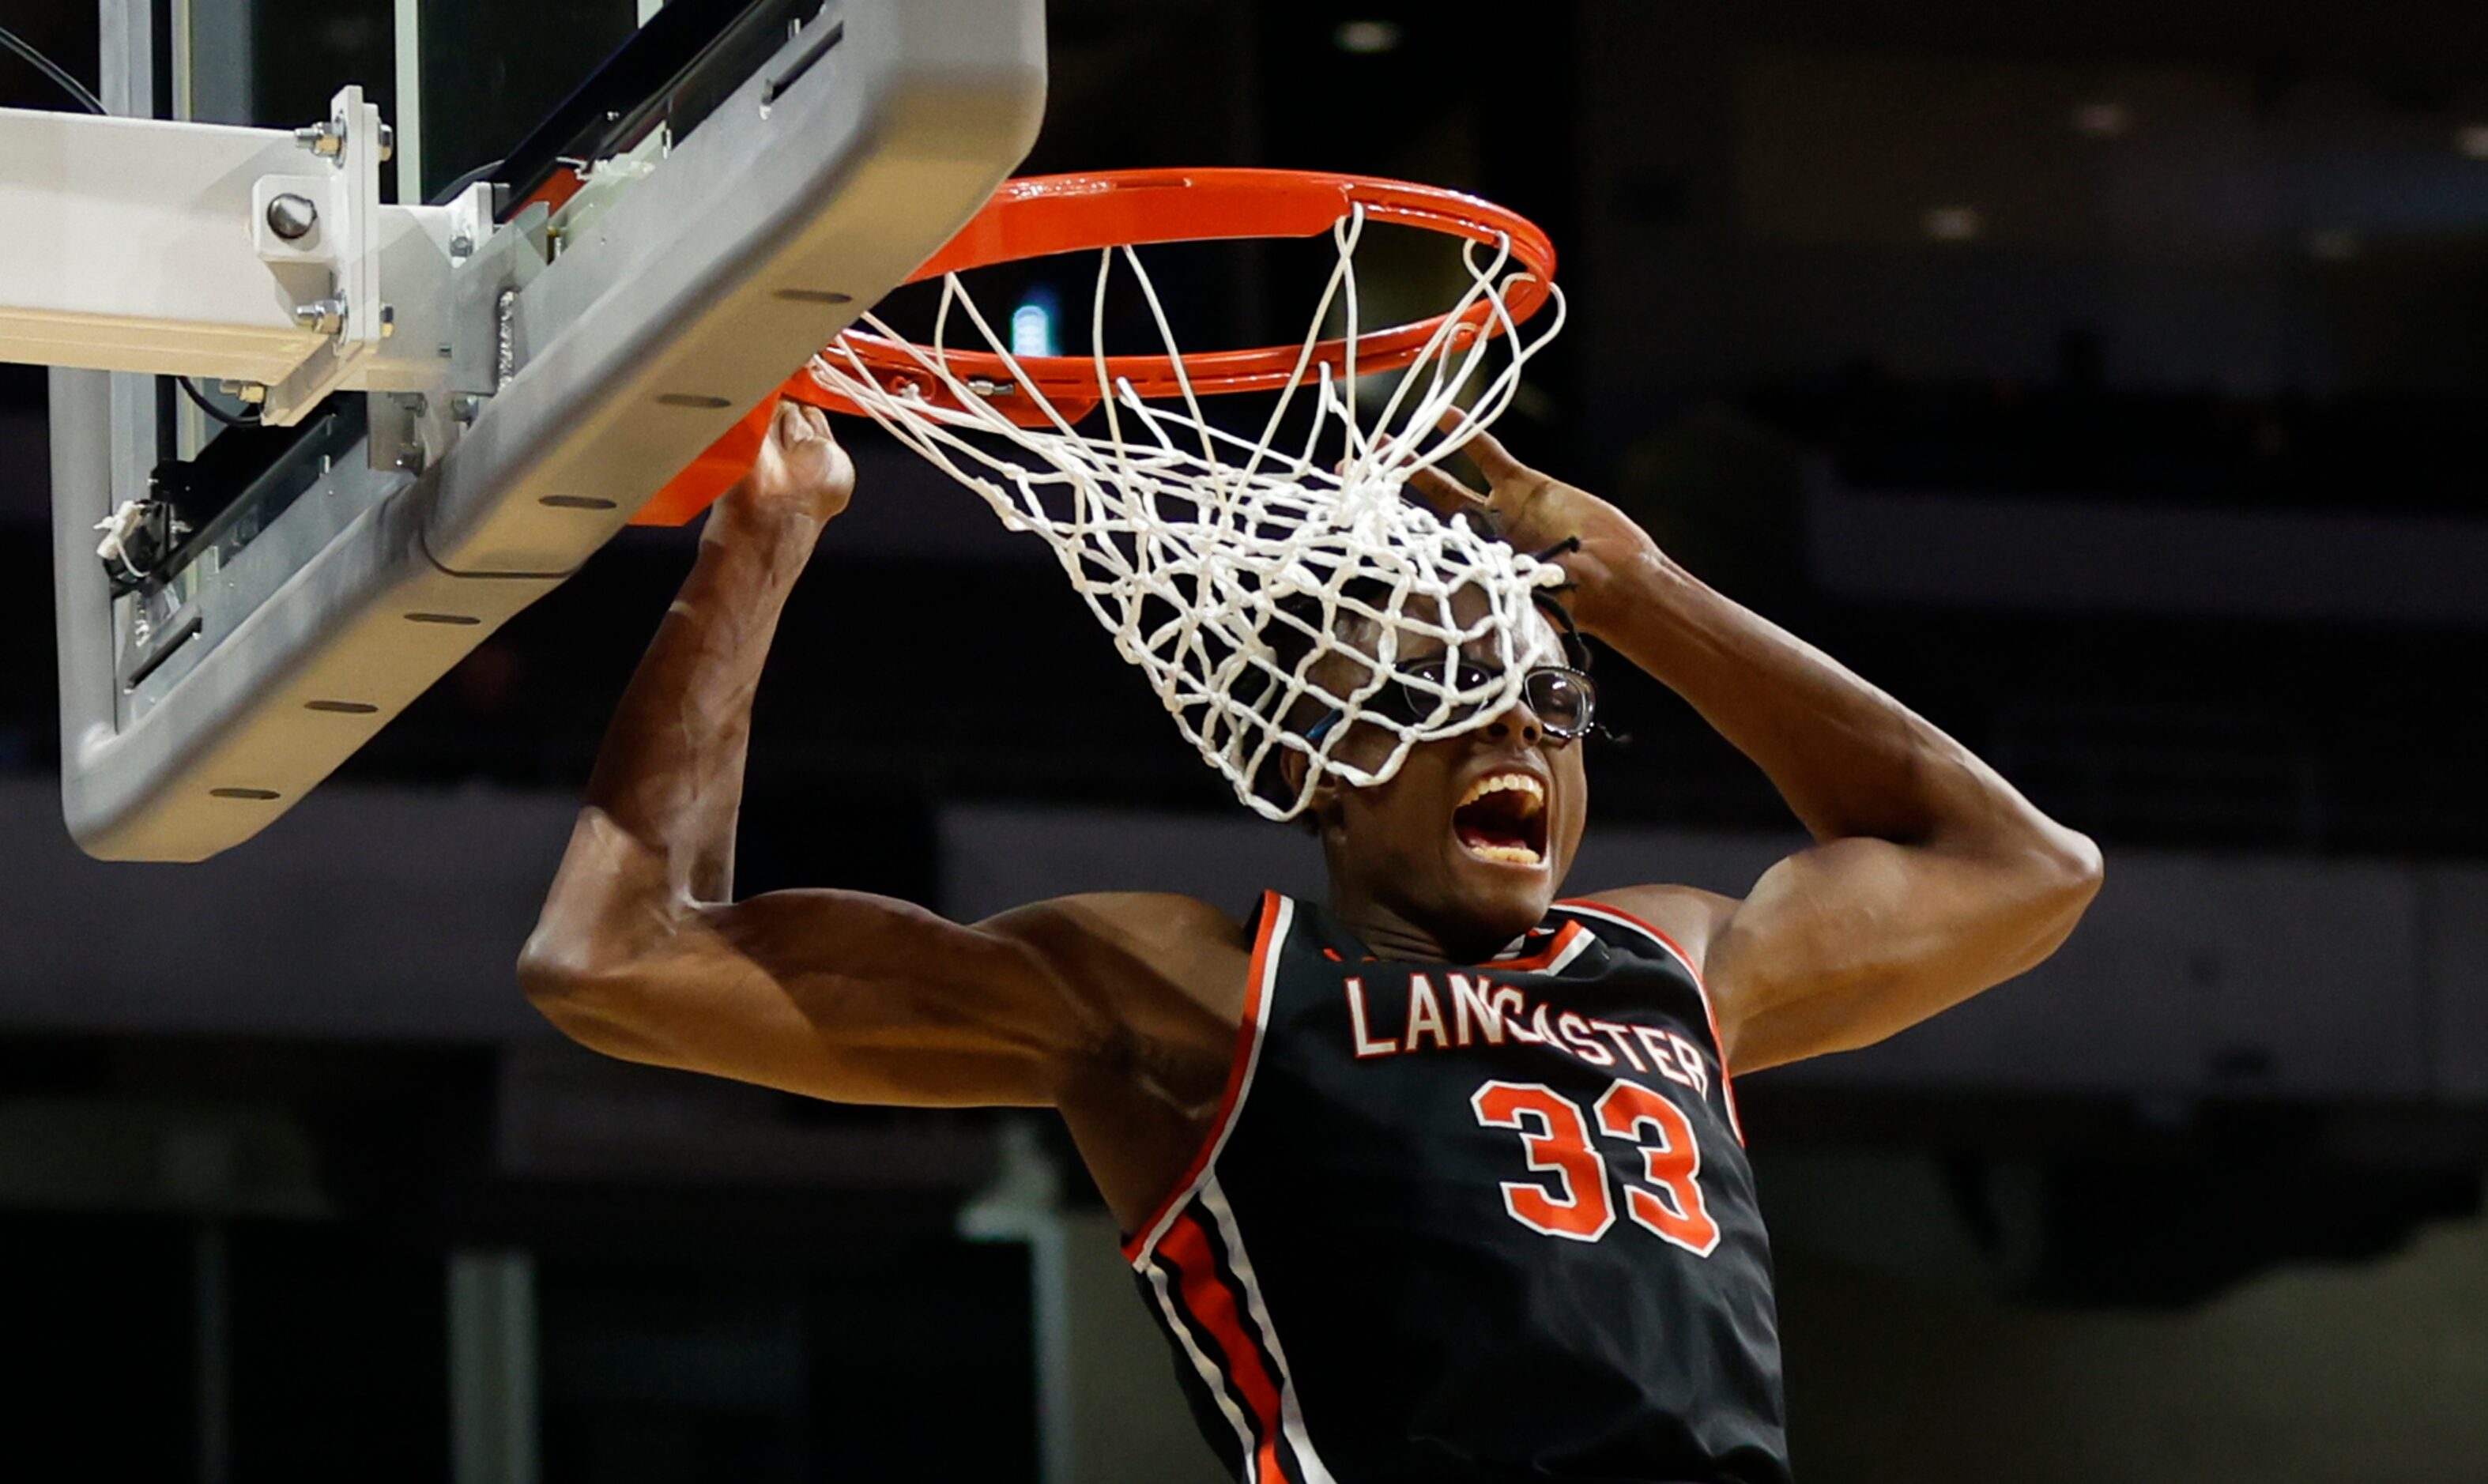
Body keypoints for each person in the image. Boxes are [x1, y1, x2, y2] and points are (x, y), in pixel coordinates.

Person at [521, 400, 2104, 1482]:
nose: (1514, 730)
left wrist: (1641, 596)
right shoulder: (1195, 992)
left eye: (1553, 708)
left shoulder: (1675, 961)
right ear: (1318, 774)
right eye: (1438, 691)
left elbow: (2020, 869)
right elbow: (618, 960)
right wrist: (755, 549)